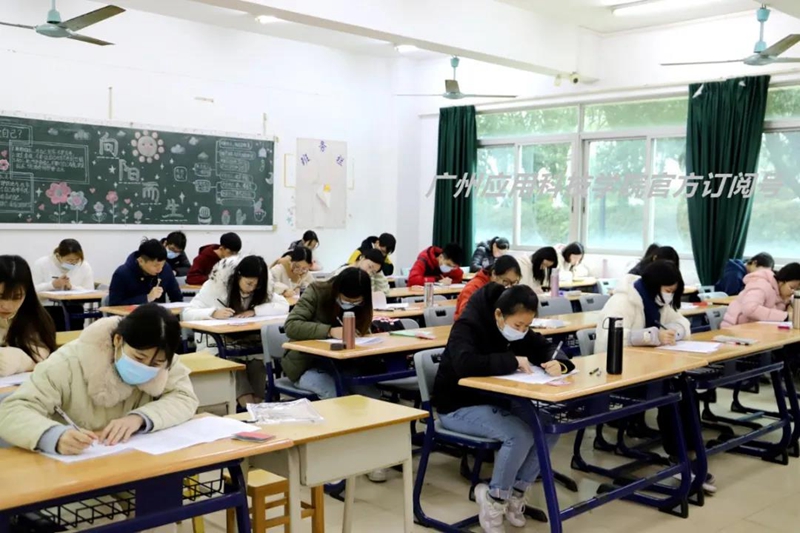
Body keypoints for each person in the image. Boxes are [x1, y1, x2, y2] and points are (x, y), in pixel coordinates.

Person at [434, 284, 574, 532]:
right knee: (519, 435)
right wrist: (512, 360)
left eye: (526, 326)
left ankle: (516, 493)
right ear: (499, 314)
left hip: (496, 400)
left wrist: (558, 362)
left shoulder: (518, 328)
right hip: (457, 405)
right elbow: (465, 364)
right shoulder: (468, 326)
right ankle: (494, 500)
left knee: (549, 428)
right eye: (518, 325)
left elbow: (542, 346)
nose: (522, 331)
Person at [0, 305, 198, 455]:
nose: (146, 366)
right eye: (139, 358)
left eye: (156, 363)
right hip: (72, 464)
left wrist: (140, 418)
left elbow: (184, 397)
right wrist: (54, 435)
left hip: (131, 460)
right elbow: (12, 411)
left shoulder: (164, 360)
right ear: (118, 340)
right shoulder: (67, 363)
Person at [183, 256, 290, 405]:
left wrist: (256, 311)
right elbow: (187, 312)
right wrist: (213, 313)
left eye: (256, 285)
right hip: (218, 344)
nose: (252, 289)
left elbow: (283, 305)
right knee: (234, 368)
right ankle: (248, 406)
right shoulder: (215, 286)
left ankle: (255, 406)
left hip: (250, 344)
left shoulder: (263, 289)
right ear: (238, 276)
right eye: (249, 283)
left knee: (258, 363)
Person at [0, 255, 57, 377]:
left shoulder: (36, 319)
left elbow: (42, 356)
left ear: (27, 294)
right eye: (0, 297)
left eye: (17, 297)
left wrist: (19, 360)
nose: (7, 306)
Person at [32, 239, 96, 331]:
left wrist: (72, 287)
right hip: (48, 307)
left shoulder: (84, 266)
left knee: (75, 316)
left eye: (77, 259)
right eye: (69, 260)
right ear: (59, 256)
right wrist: (52, 285)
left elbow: (90, 291)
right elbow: (32, 290)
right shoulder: (42, 264)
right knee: (55, 316)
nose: (73, 263)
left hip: (74, 307)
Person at [721, 262, 800, 328]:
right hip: (735, 329)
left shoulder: (782, 295)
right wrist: (785, 316)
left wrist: (791, 308)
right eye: (792, 288)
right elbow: (750, 309)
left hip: (756, 330)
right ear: (781, 281)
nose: (794, 292)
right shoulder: (761, 285)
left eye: (798, 289)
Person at [109, 239, 183, 306]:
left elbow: (177, 298)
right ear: (141, 261)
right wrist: (147, 298)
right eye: (155, 265)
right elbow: (114, 305)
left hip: (158, 314)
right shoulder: (122, 274)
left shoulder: (166, 269)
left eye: (162, 265)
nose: (160, 269)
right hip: (131, 316)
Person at [455, 255, 521, 320]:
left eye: (514, 282)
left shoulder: (507, 290)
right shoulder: (474, 287)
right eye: (506, 281)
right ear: (494, 274)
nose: (509, 287)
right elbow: (466, 316)